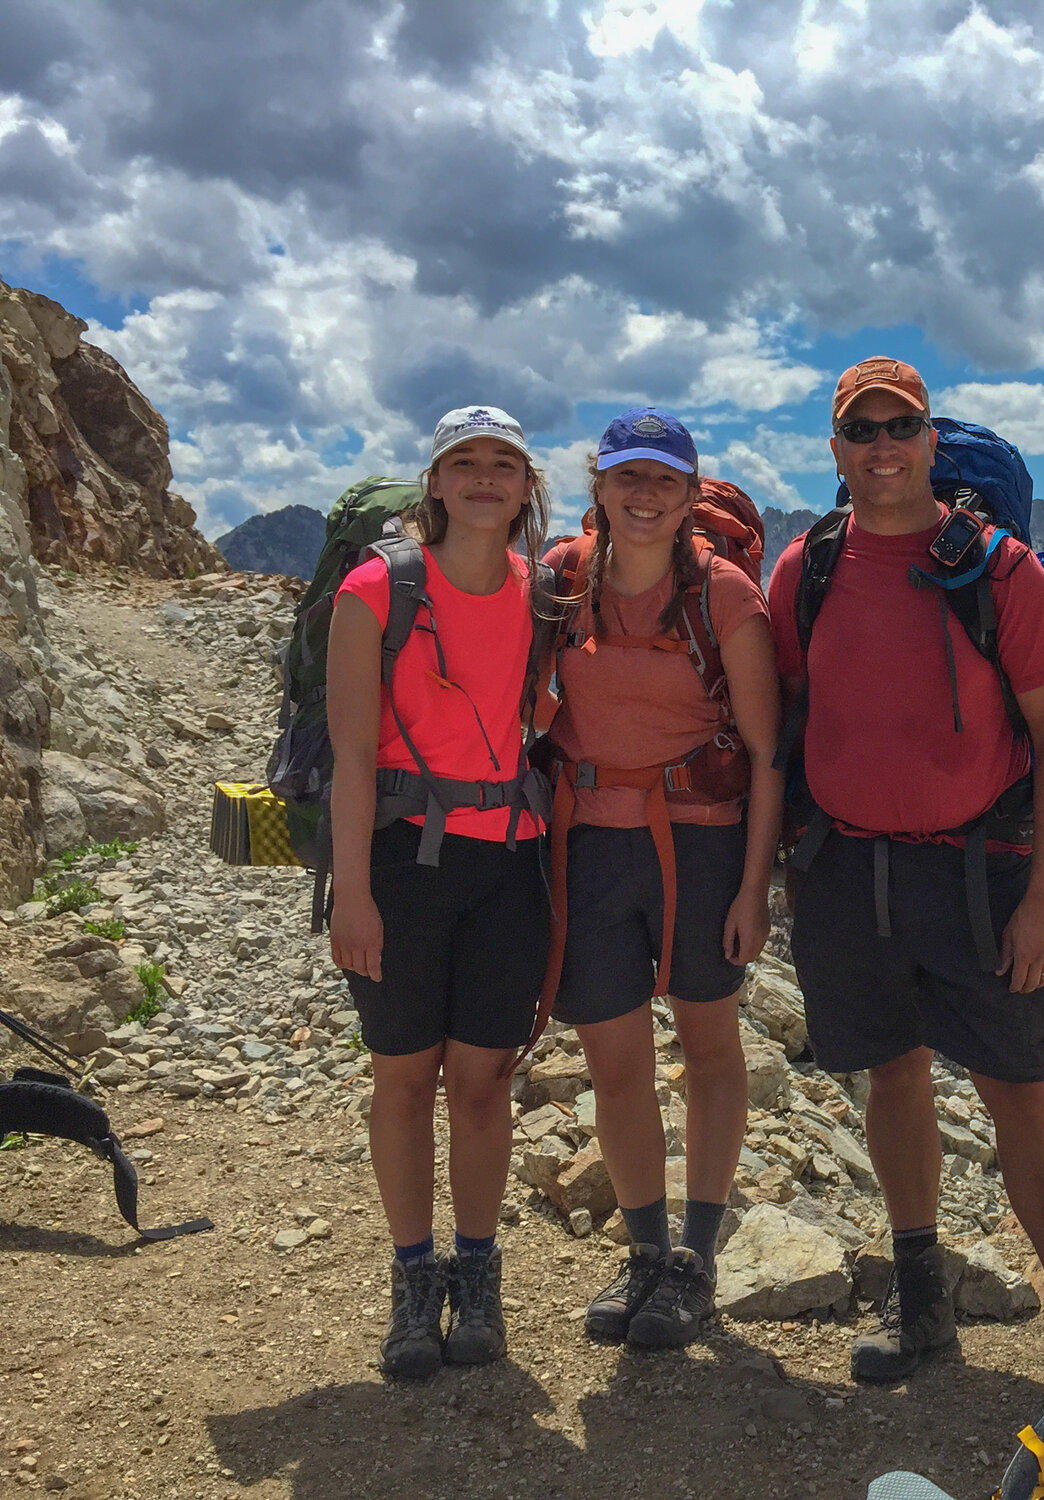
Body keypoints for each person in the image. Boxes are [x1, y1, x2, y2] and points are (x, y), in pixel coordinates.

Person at [768, 357, 1044, 1433]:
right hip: (849, 867)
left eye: (901, 427)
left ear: (931, 442)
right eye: (861, 430)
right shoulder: (811, 566)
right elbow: (790, 715)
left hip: (979, 873)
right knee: (890, 1076)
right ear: (837, 452)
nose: (882, 446)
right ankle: (921, 1301)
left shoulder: (999, 569)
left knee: (1016, 1087)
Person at [539, 409, 781, 1348]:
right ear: (599, 485)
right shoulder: (561, 583)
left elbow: (766, 754)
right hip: (590, 844)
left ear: (689, 495)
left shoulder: (724, 598)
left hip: (704, 844)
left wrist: (755, 890)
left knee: (709, 1042)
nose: (644, 496)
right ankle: (645, 1253)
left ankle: (696, 1258)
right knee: (615, 1060)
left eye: (664, 481)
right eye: (627, 477)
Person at [326, 405, 553, 1380]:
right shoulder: (374, 591)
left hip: (508, 866)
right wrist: (350, 897)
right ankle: (415, 1281)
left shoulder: (542, 595)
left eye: (503, 463)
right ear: (435, 482)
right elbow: (349, 756)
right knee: (403, 1077)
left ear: (524, 486)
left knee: (482, 1082)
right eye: (465, 461)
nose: (485, 478)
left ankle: (478, 1271)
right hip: (399, 870)